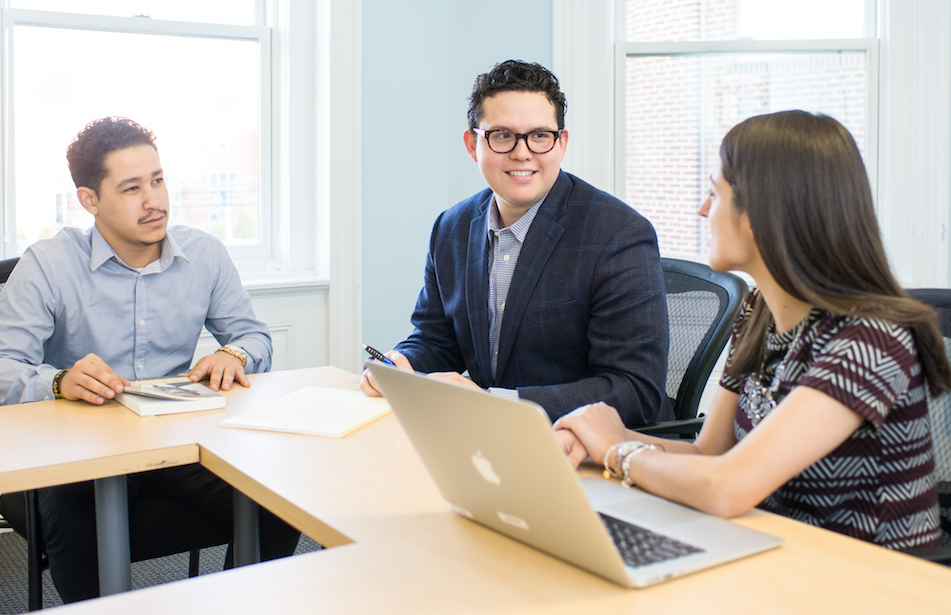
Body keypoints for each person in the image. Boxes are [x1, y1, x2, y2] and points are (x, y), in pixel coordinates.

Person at [555, 110, 951, 549]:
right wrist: (601, 439)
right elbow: (711, 455)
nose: (703, 210)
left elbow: (726, 486)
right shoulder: (759, 311)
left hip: (864, 581)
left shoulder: (871, 339)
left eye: (713, 193)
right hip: (770, 549)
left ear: (760, 213)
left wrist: (619, 452)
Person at [0, 117, 300, 602]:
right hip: (78, 452)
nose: (155, 201)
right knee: (79, 524)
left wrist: (234, 353)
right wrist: (59, 381)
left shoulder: (204, 255)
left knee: (277, 498)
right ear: (90, 200)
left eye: (158, 181)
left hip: (178, 442)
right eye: (131, 188)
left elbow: (253, 336)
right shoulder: (48, 264)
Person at [360, 60, 671, 425]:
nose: (522, 153)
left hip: (583, 450)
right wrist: (401, 365)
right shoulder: (451, 227)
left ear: (561, 143)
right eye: (502, 135)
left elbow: (635, 390)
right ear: (472, 144)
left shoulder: (617, 233)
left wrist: (494, 403)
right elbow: (436, 338)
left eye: (540, 135)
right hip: (484, 439)